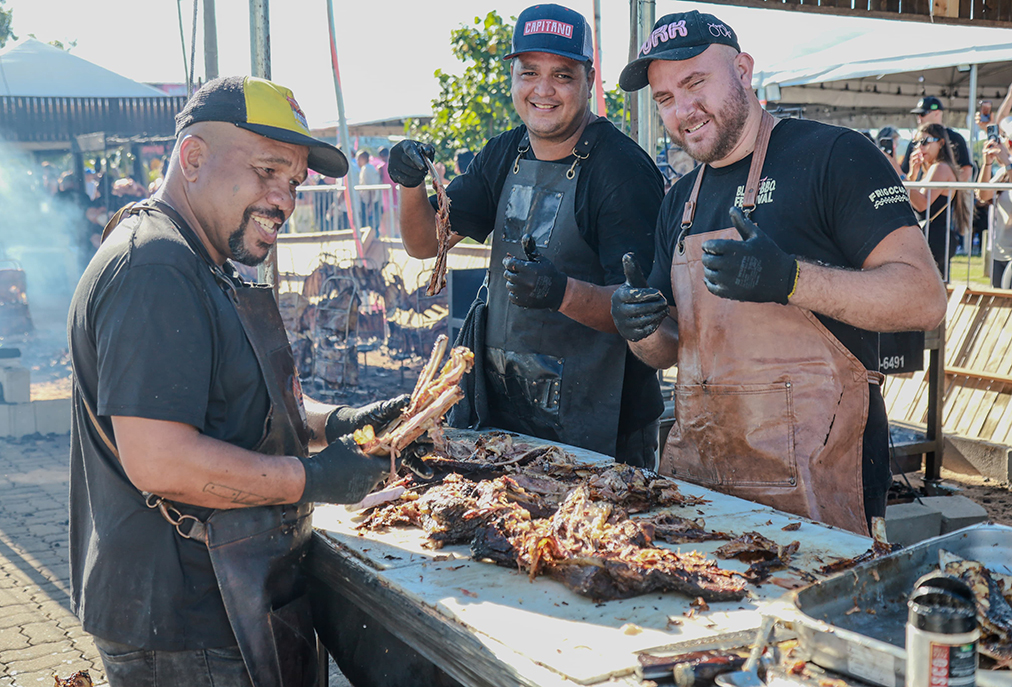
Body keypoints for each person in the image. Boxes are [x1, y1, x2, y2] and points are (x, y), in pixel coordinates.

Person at [68, 75, 426, 687]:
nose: (283, 199)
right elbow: (160, 460)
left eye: (292, 182)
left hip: (231, 598)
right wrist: (313, 480)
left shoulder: (198, 257)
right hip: (184, 623)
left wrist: (339, 422)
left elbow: (244, 404)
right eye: (266, 171)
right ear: (193, 158)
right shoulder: (154, 266)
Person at [611, 10, 947, 535]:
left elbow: (924, 297)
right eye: (665, 98)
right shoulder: (678, 200)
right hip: (705, 480)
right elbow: (670, 348)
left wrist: (791, 280)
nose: (683, 110)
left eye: (695, 82)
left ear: (743, 70)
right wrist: (640, 328)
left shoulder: (834, 157)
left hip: (822, 483)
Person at [389, 3, 665, 469]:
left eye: (562, 75)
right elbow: (424, 245)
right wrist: (411, 185)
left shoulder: (621, 171)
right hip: (506, 408)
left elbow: (638, 311)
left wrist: (559, 292)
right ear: (513, 78)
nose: (543, 89)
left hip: (603, 426)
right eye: (529, 72)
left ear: (589, 80)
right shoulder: (504, 152)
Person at [906, 122, 970, 279]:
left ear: (941, 143)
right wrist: (911, 176)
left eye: (925, 142)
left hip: (935, 239)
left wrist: (902, 179)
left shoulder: (940, 167)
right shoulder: (931, 168)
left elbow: (922, 204)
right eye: (917, 143)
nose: (920, 147)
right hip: (933, 238)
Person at [977, 116, 1012, 288]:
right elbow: (983, 195)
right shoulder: (1005, 170)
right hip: (1000, 252)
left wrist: (1007, 164)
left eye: (1006, 138)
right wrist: (987, 164)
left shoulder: (1008, 166)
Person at [902, 96, 972, 182]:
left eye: (923, 114)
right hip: (921, 189)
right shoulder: (915, 141)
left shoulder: (955, 138)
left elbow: (966, 169)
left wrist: (951, 188)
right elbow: (905, 171)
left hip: (941, 191)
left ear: (936, 113)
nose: (919, 118)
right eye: (917, 114)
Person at [357, 149, 381, 228]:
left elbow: (371, 188)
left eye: (358, 159)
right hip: (370, 201)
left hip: (369, 202)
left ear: (363, 158)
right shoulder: (369, 168)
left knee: (369, 226)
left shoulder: (367, 169)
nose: (357, 161)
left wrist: (370, 206)